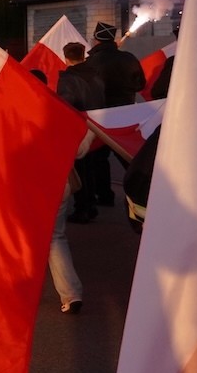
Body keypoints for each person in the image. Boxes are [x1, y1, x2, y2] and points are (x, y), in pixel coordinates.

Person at [83, 22, 145, 206]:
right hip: (126, 114)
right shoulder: (129, 58)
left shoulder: (91, 63)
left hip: (101, 116)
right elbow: (141, 84)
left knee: (98, 159)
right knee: (129, 157)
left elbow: (88, 89)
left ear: (96, 40)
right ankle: (140, 194)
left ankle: (105, 196)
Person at [57, 41, 106, 223]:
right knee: (91, 167)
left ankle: (82, 209)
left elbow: (66, 104)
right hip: (96, 124)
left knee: (79, 169)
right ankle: (91, 204)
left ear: (66, 57)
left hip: (77, 126)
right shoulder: (96, 75)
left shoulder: (68, 79)